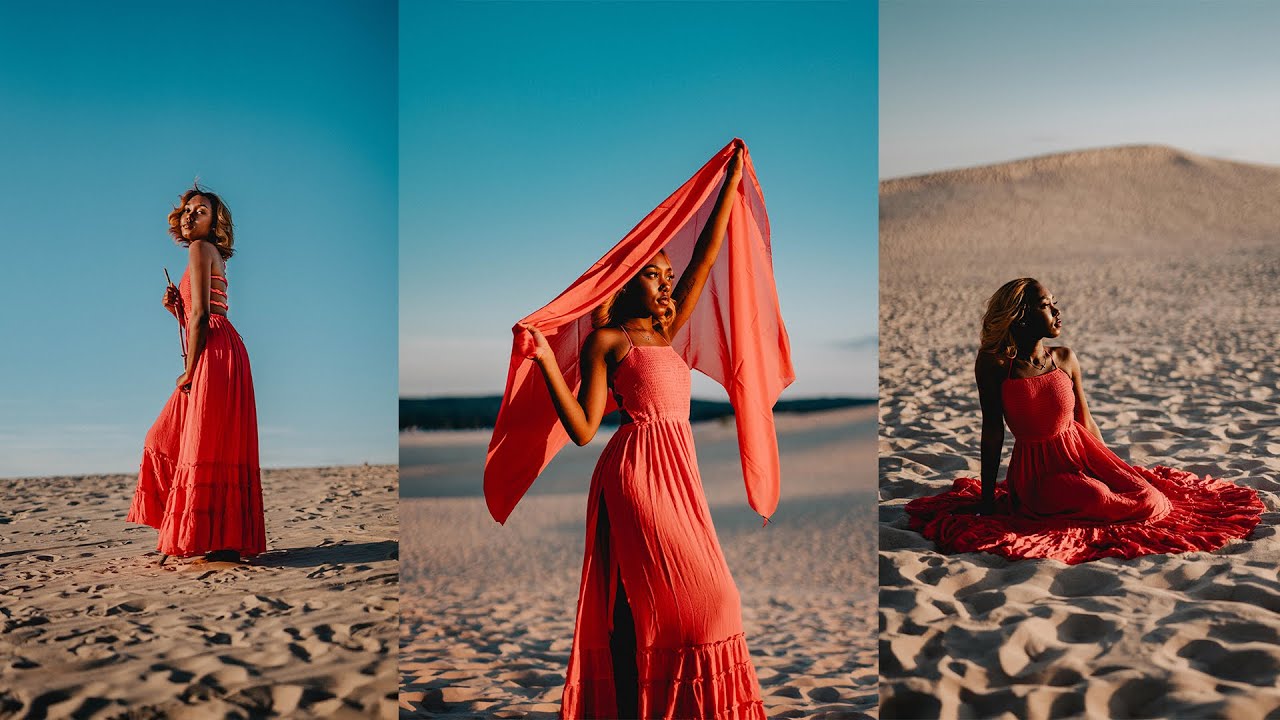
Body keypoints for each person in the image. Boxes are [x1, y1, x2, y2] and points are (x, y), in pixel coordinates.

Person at [524, 146, 767, 719]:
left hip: (680, 471)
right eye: (652, 276)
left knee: (714, 599)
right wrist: (546, 362)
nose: (664, 285)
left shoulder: (667, 330)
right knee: (657, 600)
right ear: (627, 284)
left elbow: (705, 256)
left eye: (666, 277)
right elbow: (584, 429)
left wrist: (730, 183)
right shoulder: (609, 341)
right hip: (635, 474)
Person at [905, 277, 1263, 564]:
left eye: (1055, 303)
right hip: (1038, 473)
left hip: (1082, 453)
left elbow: (1085, 420)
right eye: (1046, 305)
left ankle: (1105, 482)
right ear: (1022, 315)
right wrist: (986, 500)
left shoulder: (1064, 357)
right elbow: (992, 431)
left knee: (1149, 497)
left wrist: (1110, 466)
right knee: (1096, 496)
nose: (1057, 311)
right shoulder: (995, 364)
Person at [126, 187, 266, 565]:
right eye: (187, 209)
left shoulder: (201, 249)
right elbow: (199, 313)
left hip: (214, 351)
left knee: (180, 438)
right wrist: (176, 309)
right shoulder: (207, 253)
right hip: (223, 348)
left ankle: (215, 540)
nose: (190, 215)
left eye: (200, 211)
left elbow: (203, 316)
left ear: (213, 223)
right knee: (211, 442)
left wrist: (188, 370)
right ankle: (220, 540)